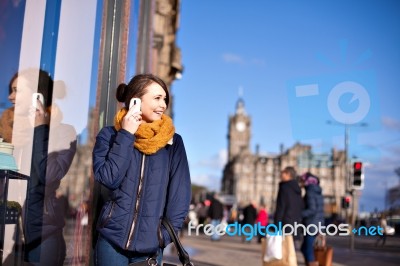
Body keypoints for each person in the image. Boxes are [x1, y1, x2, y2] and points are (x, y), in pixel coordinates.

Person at [92, 73, 191, 266]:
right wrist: (126, 134)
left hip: (150, 248)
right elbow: (108, 178)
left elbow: (180, 195)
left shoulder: (173, 143)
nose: (163, 104)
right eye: (157, 98)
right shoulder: (110, 135)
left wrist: (161, 237)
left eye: (165, 99)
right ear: (135, 100)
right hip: (111, 242)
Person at [2, 68, 77, 265]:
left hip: (42, 236)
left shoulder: (63, 132)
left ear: (37, 94)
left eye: (17, 90)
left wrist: (40, 129)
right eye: (11, 90)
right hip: (7, 231)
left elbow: (50, 174)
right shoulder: (6, 131)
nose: (10, 96)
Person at [271, 166, 303, 265]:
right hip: (295, 223)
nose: (281, 174)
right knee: (290, 250)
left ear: (288, 174)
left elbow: (281, 207)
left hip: (285, 223)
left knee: (282, 252)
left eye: (282, 173)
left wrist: (276, 225)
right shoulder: (297, 189)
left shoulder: (284, 187)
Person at [300, 172, 324, 266]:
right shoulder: (317, 191)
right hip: (317, 224)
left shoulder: (310, 192)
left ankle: (311, 263)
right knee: (305, 248)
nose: (301, 183)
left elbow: (312, 209)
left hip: (311, 225)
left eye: (302, 181)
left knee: (308, 250)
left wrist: (300, 214)